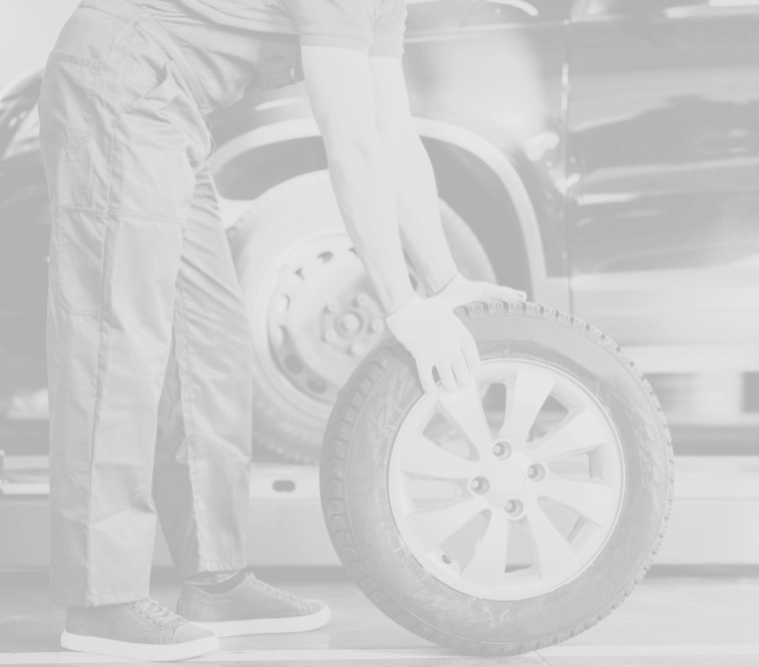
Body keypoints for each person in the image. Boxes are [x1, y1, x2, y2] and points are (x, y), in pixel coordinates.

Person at [38, 0, 525, 661]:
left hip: (168, 105)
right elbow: (348, 141)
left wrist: (445, 284)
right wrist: (401, 304)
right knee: (117, 340)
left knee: (208, 342)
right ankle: (102, 601)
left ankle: (217, 578)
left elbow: (390, 133)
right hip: (121, 81)